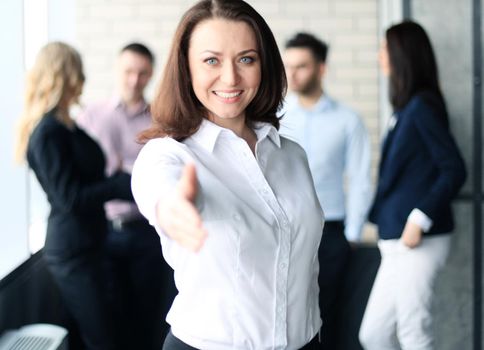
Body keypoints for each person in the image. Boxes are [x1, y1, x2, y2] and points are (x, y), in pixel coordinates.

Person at [131, 0, 324, 349]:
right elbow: (157, 187)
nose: (231, 77)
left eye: (246, 59)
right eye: (211, 60)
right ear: (186, 69)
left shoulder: (292, 156)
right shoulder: (169, 154)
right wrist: (172, 208)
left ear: (263, 65)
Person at [14, 42, 133, 350]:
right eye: (78, 72)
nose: (83, 80)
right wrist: (119, 185)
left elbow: (85, 179)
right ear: (64, 75)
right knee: (102, 338)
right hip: (72, 250)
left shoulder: (68, 127)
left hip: (90, 242)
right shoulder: (48, 132)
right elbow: (69, 197)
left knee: (101, 332)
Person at [358, 21, 467, 350]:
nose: (379, 55)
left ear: (402, 54)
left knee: (413, 333)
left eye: (384, 48)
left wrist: (419, 218)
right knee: (373, 335)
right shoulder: (406, 108)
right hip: (395, 241)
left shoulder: (422, 107)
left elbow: (454, 169)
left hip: (418, 240)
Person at [77, 42, 176, 350]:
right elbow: (82, 173)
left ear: (151, 75)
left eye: (143, 73)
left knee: (147, 314)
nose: (135, 80)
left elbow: (166, 170)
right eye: (129, 71)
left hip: (146, 232)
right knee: (107, 317)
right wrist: (133, 169)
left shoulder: (161, 119)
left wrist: (123, 168)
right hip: (102, 232)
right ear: (117, 70)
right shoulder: (90, 116)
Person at [280, 32, 372, 348]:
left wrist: (353, 234)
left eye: (301, 66)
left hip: (331, 234)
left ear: (321, 68)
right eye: (288, 65)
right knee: (287, 315)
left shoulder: (348, 120)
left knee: (329, 315)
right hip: (283, 231)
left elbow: (361, 178)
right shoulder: (276, 118)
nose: (292, 74)